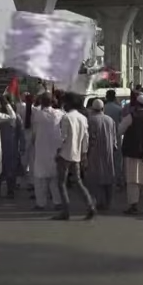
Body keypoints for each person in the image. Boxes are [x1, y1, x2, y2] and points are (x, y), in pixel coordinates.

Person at [53, 92, 95, 221]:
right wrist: (84, 154)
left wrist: (57, 151)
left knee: (61, 183)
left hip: (65, 154)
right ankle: (90, 205)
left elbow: (63, 137)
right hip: (77, 154)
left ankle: (65, 211)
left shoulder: (66, 117)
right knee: (78, 182)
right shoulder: (82, 118)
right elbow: (85, 138)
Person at [119, 94, 143, 216]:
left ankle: (133, 205)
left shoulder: (131, 117)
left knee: (132, 181)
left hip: (132, 154)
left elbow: (120, 130)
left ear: (137, 105)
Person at [30, 92, 64, 211]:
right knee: (54, 179)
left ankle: (41, 203)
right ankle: (57, 201)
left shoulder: (37, 115)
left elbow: (34, 133)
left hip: (41, 149)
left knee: (40, 179)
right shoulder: (59, 114)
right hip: (55, 149)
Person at [86, 99, 116, 211]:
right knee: (108, 177)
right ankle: (107, 202)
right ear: (103, 109)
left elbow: (88, 138)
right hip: (108, 152)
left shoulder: (90, 120)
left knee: (95, 178)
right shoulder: (110, 120)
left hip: (94, 152)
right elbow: (114, 139)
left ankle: (97, 202)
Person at [0, 95, 24, 198]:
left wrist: (22, 146)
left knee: (11, 171)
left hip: (12, 148)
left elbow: (21, 133)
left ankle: (11, 190)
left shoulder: (16, 117)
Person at [103, 90, 124, 189]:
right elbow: (122, 123)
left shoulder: (103, 109)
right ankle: (117, 180)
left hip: (103, 137)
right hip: (116, 136)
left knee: (105, 159)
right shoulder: (119, 109)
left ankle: (106, 180)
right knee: (117, 160)